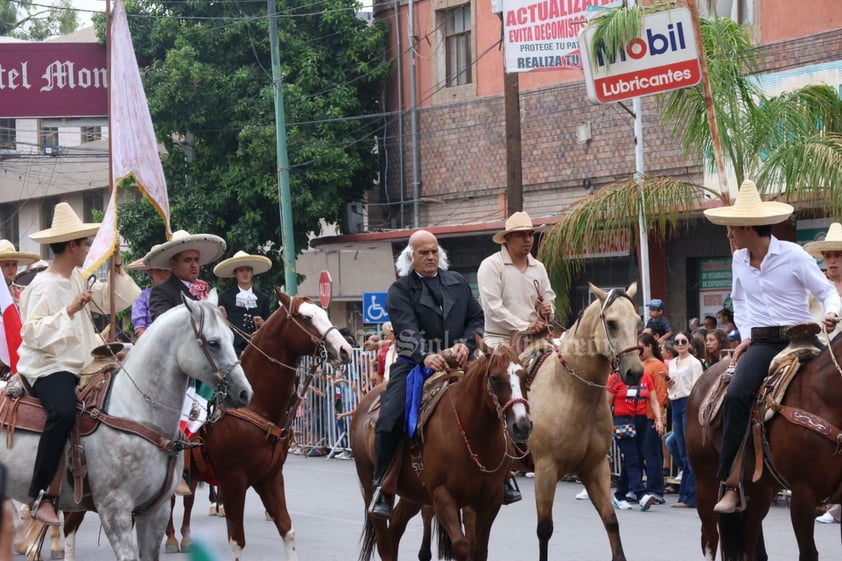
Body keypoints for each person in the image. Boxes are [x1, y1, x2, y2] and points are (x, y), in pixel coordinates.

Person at [703, 180, 840, 514]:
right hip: (763, 342)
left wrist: (834, 312)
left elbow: (826, 292)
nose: (729, 234)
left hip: (802, 337)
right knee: (737, 395)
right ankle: (731, 482)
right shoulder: (738, 259)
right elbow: (740, 301)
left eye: (732, 228)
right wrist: (747, 335)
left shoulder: (793, 255)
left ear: (748, 227)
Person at [18, 202, 140, 525]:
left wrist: (116, 270)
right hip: (49, 366)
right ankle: (41, 494)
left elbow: (111, 298)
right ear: (72, 245)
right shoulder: (40, 286)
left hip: (83, 363)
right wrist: (69, 311)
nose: (87, 248)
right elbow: (30, 334)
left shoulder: (77, 278)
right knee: (63, 411)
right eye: (84, 243)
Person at [368, 230, 484, 518]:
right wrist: (425, 354)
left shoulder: (457, 282)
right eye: (424, 252)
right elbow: (406, 329)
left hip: (459, 361)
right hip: (414, 364)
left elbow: (476, 319)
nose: (431, 256)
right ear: (411, 256)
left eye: (434, 251)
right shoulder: (399, 290)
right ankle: (383, 486)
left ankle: (502, 477)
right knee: (389, 418)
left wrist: (466, 344)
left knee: (497, 398)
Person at [476, 211, 555, 348]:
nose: (527, 239)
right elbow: (493, 308)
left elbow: (549, 300)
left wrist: (546, 312)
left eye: (530, 234)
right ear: (507, 238)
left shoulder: (539, 267)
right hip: (500, 341)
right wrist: (525, 326)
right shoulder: (491, 265)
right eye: (521, 235)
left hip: (535, 341)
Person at [606, 355, 665, 510]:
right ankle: (641, 493)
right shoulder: (615, 378)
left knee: (635, 457)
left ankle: (620, 495)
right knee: (632, 457)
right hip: (622, 421)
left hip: (641, 420)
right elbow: (606, 404)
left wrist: (659, 419)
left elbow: (653, 400)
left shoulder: (646, 377)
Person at [146, 230, 227, 321]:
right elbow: (161, 323)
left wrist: (219, 317)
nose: (194, 265)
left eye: (196, 260)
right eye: (187, 260)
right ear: (173, 263)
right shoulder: (162, 292)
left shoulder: (206, 288)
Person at [666, 332, 704, 508]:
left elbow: (698, 386)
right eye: (677, 342)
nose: (680, 344)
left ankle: (690, 496)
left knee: (688, 450)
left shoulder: (694, 363)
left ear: (689, 344)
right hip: (674, 401)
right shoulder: (672, 363)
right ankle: (686, 494)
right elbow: (672, 385)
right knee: (679, 446)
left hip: (688, 403)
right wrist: (668, 382)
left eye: (683, 341)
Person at [213, 250, 273, 355]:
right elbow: (219, 325)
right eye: (241, 270)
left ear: (252, 273)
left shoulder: (263, 298)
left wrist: (262, 324)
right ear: (235, 273)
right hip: (233, 348)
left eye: (248, 270)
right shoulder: (224, 297)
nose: (245, 273)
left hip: (258, 347)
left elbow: (268, 324)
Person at [637, 332, 669, 510]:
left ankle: (656, 490)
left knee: (651, 454)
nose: (638, 350)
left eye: (640, 346)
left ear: (649, 346)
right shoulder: (640, 365)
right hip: (639, 415)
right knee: (640, 453)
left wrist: (660, 416)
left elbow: (661, 391)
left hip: (651, 415)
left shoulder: (657, 365)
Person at [127, 246, 171, 337]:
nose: (163, 274)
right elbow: (140, 329)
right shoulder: (141, 296)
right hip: (151, 342)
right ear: (151, 272)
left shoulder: (177, 292)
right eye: (159, 270)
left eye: (166, 270)